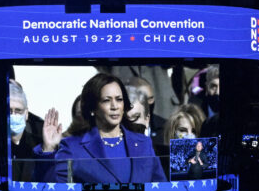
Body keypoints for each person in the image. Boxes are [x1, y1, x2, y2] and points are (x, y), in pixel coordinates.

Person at [35, 73, 167, 184]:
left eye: (119, 99)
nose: (114, 106)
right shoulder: (73, 147)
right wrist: (49, 149)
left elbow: (161, 189)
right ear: (93, 108)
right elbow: (51, 189)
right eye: (106, 100)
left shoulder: (143, 143)